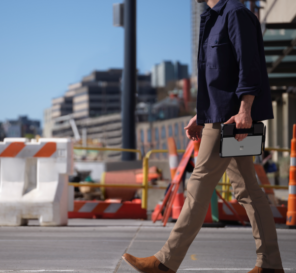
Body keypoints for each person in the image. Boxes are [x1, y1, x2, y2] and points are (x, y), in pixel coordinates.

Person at [122, 0, 285, 273]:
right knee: (248, 191)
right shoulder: (213, 18)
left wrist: (245, 110)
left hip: (230, 122)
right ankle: (270, 263)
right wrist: (202, 114)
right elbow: (220, 77)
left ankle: (165, 261)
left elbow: (249, 66)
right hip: (221, 118)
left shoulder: (235, 15)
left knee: (198, 185)